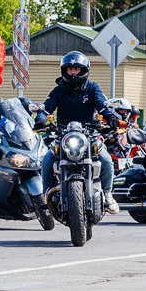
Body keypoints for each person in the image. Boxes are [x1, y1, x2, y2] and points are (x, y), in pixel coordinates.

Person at [38, 51, 119, 214]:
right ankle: (47, 197)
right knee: (47, 160)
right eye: (70, 69)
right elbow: (47, 107)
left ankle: (107, 193)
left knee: (106, 159)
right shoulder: (58, 91)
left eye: (76, 69)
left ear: (83, 70)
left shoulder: (92, 87)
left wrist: (110, 116)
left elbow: (101, 103)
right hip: (63, 135)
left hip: (89, 135)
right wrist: (40, 119)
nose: (73, 72)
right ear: (65, 71)